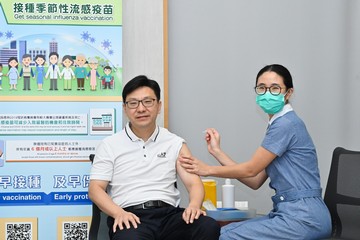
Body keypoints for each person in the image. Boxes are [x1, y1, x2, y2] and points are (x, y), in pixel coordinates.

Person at [179, 64, 332, 240]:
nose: (267, 93)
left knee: (222, 236)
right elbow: (254, 180)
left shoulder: (285, 125)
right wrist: (217, 152)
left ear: (288, 93)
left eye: (275, 88)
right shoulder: (279, 124)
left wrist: (207, 169)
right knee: (219, 232)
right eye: (261, 88)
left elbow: (250, 169)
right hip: (294, 215)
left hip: (304, 218)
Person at [89, 75, 220, 240]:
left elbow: (194, 183)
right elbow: (95, 189)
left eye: (148, 101)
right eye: (133, 103)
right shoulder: (109, 145)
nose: (141, 109)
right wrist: (118, 213)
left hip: (169, 216)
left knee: (208, 226)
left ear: (158, 106)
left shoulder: (175, 142)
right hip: (131, 217)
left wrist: (194, 206)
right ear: (125, 108)